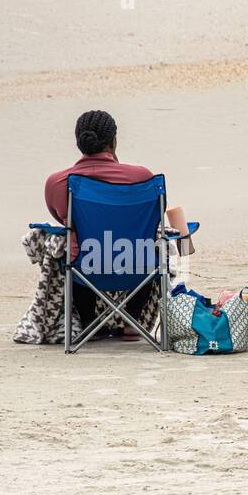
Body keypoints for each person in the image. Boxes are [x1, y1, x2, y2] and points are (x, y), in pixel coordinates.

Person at [41, 110, 157, 339]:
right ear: (114, 141)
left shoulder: (57, 183)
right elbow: (155, 217)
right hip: (139, 268)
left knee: (68, 242)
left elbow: (60, 218)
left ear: (79, 142)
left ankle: (88, 321)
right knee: (151, 242)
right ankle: (133, 320)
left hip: (86, 269)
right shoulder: (143, 178)